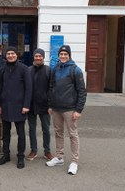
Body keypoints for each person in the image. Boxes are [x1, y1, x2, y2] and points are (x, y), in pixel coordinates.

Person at [46, 45, 87, 175]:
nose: (63, 56)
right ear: (58, 55)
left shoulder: (76, 70)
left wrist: (78, 110)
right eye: (61, 54)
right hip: (56, 108)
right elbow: (51, 88)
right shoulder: (55, 69)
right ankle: (59, 157)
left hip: (70, 109)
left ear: (69, 55)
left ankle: (74, 161)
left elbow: (82, 91)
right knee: (58, 133)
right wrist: (50, 105)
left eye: (65, 54)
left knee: (73, 135)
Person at [0, 46, 32, 169]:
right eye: (8, 54)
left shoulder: (24, 69)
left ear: (17, 55)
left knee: (20, 134)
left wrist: (26, 105)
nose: (10, 55)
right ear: (5, 56)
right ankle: (6, 155)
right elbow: (0, 88)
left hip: (20, 106)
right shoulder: (3, 69)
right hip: (5, 105)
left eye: (13, 53)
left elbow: (29, 89)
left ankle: (20, 157)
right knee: (5, 133)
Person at [26, 48, 54, 162]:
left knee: (46, 129)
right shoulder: (28, 70)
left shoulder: (48, 70)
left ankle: (47, 151)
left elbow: (52, 88)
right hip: (31, 105)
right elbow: (26, 88)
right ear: (33, 57)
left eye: (40, 56)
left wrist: (50, 104)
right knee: (32, 129)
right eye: (36, 56)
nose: (38, 58)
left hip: (45, 105)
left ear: (43, 57)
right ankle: (33, 150)